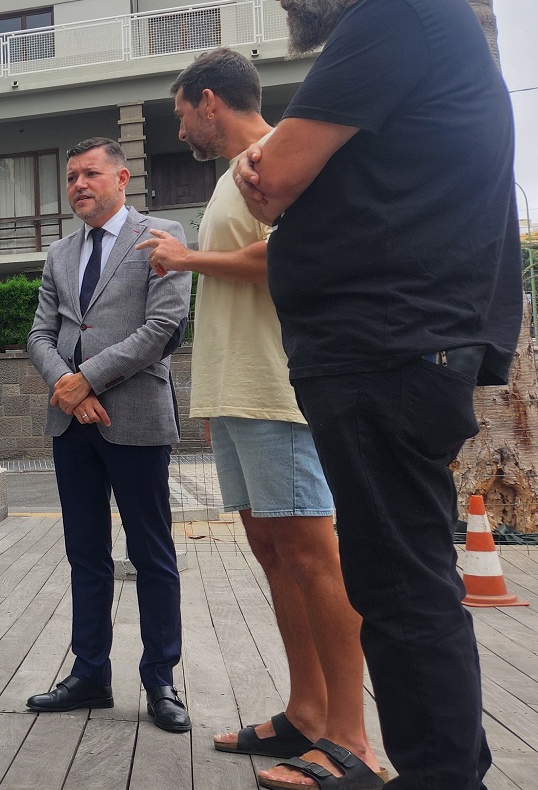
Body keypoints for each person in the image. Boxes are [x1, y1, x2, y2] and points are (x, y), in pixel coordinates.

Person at [234, 0, 521, 787]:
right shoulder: (421, 28)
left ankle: (442, 776)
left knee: (400, 591)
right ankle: (445, 768)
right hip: (396, 349)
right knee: (406, 584)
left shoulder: (393, 10)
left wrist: (275, 173)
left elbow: (271, 175)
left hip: (385, 349)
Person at [138, 48, 379, 777]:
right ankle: (306, 712)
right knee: (275, 558)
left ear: (209, 100)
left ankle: (351, 739)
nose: (181, 128)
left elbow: (292, 259)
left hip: (279, 394)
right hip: (239, 398)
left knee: (314, 557)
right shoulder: (231, 180)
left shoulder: (284, 158)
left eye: (182, 111)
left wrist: (186, 262)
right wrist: (214, 401)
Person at [23, 137, 192, 733]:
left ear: (122, 178)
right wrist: (69, 387)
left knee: (152, 554)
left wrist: (86, 379)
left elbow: (165, 327)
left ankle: (161, 679)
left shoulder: (162, 235)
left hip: (137, 419)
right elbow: (40, 335)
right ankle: (90, 673)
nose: (78, 185)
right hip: (72, 427)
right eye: (71, 177)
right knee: (85, 554)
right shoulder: (59, 254)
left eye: (90, 173)